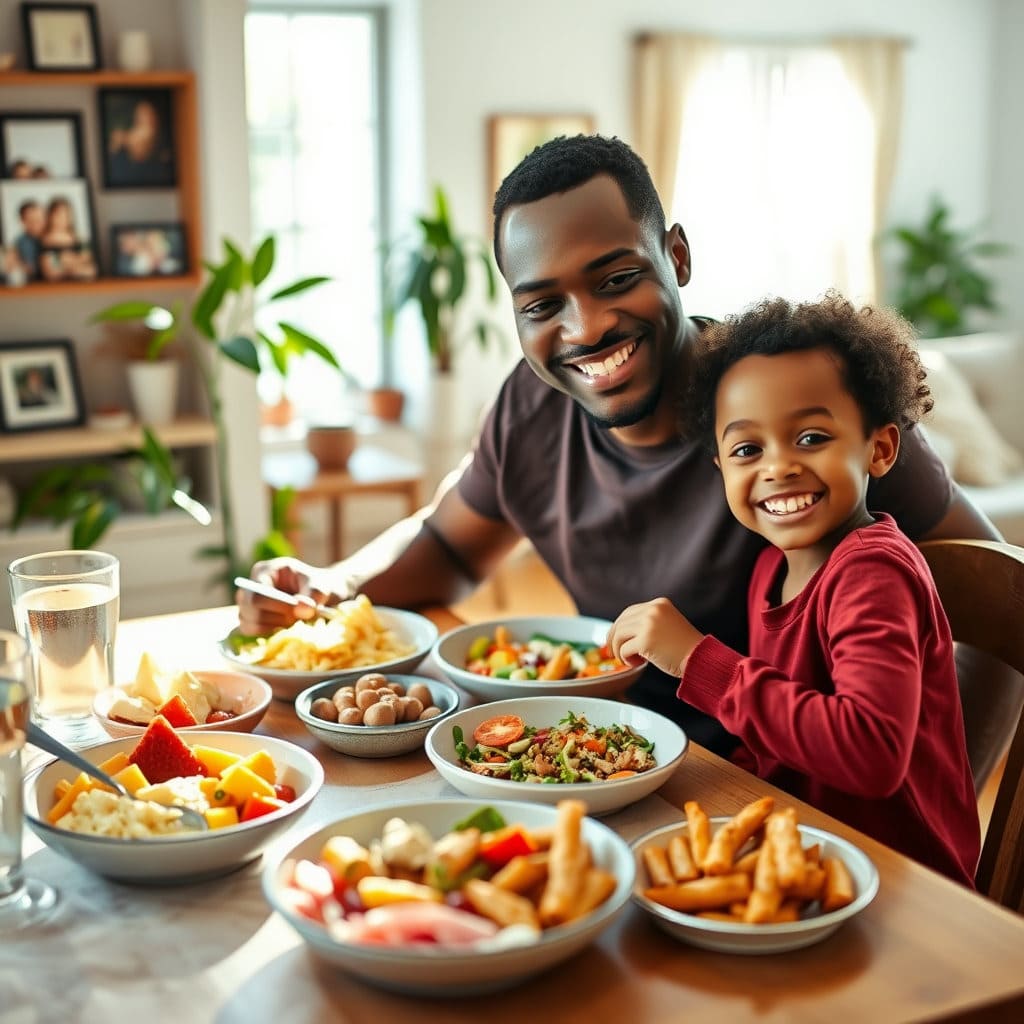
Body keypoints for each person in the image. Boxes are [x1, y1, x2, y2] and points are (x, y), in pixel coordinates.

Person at [236, 134, 1001, 755]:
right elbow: (449, 543)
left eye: (615, 278)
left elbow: (1004, 602)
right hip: (612, 757)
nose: (585, 327)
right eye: (543, 303)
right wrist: (335, 585)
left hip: (778, 792)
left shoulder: (790, 410)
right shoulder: (531, 404)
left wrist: (949, 778)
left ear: (678, 257)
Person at [605, 292, 980, 884]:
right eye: (748, 449)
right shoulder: (768, 572)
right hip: (806, 853)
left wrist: (698, 662)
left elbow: (871, 753)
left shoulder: (871, 572)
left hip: (902, 883)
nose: (777, 466)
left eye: (810, 438)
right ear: (721, 470)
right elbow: (780, 739)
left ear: (879, 450)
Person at [38, 197, 96, 282]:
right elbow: (50, 270)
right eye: (59, 214)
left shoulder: (79, 238)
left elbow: (87, 259)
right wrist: (71, 263)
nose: (63, 218)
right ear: (50, 216)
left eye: (66, 214)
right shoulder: (46, 241)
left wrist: (69, 262)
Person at [13, 199, 44, 280]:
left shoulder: (52, 236)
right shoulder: (21, 242)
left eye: (39, 220)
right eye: (31, 221)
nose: (36, 224)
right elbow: (29, 268)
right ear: (22, 221)